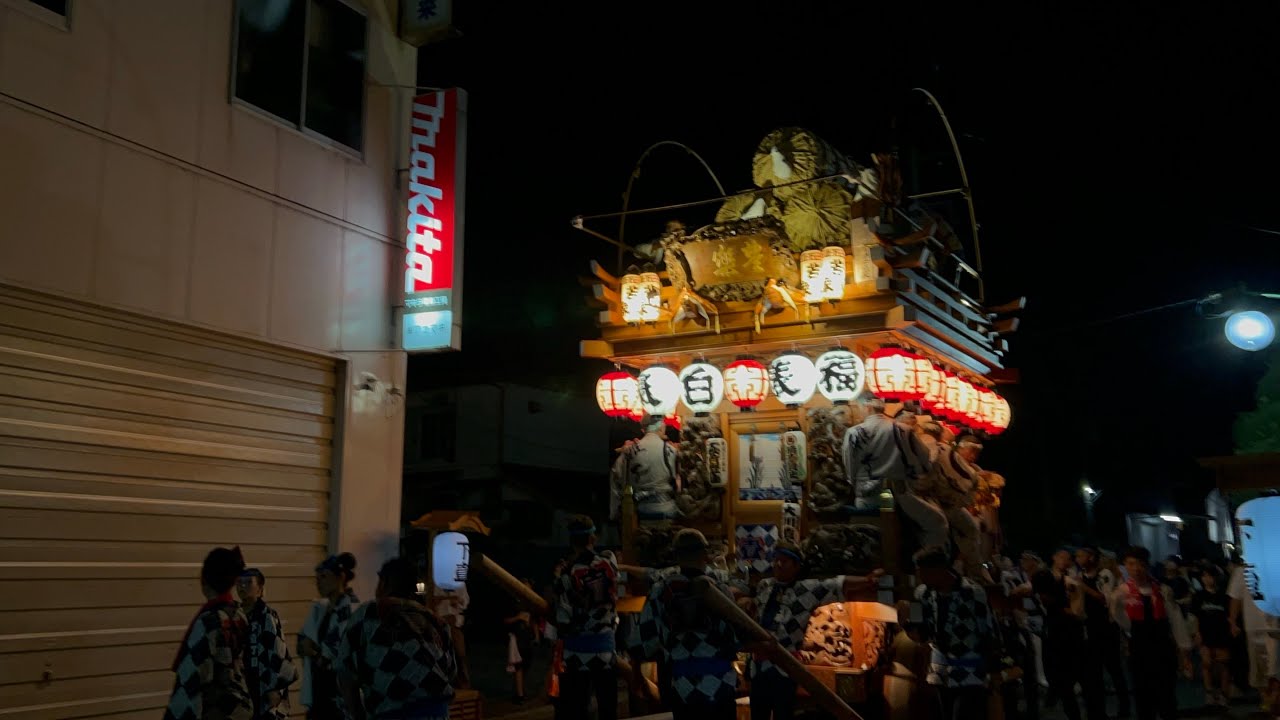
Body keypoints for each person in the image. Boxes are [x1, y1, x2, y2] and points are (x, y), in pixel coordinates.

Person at [744, 540, 881, 720]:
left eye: (784, 561)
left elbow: (837, 584)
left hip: (786, 663)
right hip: (759, 664)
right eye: (776, 560)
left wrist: (868, 580)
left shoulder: (806, 588)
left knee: (782, 712)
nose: (778, 564)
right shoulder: (764, 585)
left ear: (796, 566)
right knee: (758, 712)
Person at [637, 529, 741, 720]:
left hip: (682, 683)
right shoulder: (720, 589)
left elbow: (647, 641)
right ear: (705, 555)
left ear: (676, 555)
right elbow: (734, 636)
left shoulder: (660, 591)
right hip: (720, 682)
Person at [337, 557, 456, 720]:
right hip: (437, 711)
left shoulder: (369, 614)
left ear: (385, 583)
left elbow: (345, 673)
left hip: (394, 712)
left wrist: (358, 715)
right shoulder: (436, 621)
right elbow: (451, 672)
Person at [844, 398, 949, 550]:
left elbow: (849, 465)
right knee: (937, 522)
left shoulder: (854, 432)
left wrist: (856, 483)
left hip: (866, 494)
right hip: (900, 492)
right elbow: (924, 459)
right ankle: (925, 560)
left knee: (869, 541)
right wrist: (915, 475)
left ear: (866, 408)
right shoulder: (903, 429)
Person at [165, 547, 254, 720]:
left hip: (216, 710)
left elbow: (194, 677)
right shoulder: (239, 614)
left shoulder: (209, 621)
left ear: (204, 579)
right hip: (240, 707)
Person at [913, 545, 998, 720]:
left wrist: (993, 669)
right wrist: (910, 621)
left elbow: (988, 631)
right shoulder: (922, 593)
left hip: (970, 669)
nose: (922, 578)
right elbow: (918, 628)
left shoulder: (972, 593)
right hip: (940, 670)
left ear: (940, 570)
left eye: (925, 573)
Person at [1110, 546, 1193, 720]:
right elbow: (1125, 625)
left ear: (1146, 566)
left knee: (1167, 698)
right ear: (1125, 565)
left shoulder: (1162, 590)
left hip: (1163, 650)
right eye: (1131, 564)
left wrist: (1184, 653)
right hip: (1139, 651)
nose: (1136, 569)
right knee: (1143, 700)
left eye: (1140, 564)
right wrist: (1116, 608)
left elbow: (1176, 621)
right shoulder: (1122, 593)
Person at [550, 515, 619, 720]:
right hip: (605, 649)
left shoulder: (567, 575)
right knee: (608, 708)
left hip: (576, 653)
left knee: (576, 710)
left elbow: (562, 620)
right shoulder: (609, 562)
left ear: (571, 541)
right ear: (593, 538)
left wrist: (556, 577)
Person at [1032, 569, 1106, 720]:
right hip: (1064, 647)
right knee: (1070, 691)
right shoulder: (1056, 600)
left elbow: (1077, 613)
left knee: (1083, 689)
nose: (1041, 597)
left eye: (1043, 593)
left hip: (1072, 647)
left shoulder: (1063, 597)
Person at [298, 552, 359, 720]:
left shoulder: (349, 609)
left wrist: (314, 652)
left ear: (341, 577)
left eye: (324, 576)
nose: (319, 582)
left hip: (339, 695)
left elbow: (334, 656)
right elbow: (302, 643)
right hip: (319, 692)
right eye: (317, 578)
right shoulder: (320, 609)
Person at [236, 568, 298, 719]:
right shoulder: (236, 613)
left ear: (260, 589)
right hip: (242, 682)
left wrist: (274, 686)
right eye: (239, 583)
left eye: (249, 582)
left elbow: (277, 651)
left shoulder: (267, 615)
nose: (242, 586)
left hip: (261, 680)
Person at [1076, 545, 1130, 718]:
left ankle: (1124, 707)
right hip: (1090, 627)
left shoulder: (1104, 575)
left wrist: (1082, 587)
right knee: (1094, 672)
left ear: (1091, 557)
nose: (1078, 559)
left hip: (1106, 627)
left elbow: (1104, 599)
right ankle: (1098, 710)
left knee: (1114, 668)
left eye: (1081, 556)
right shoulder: (1082, 576)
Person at [933, 434, 993, 583]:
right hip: (942, 504)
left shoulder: (974, 468)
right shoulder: (949, 457)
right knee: (971, 527)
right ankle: (965, 567)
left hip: (961, 506)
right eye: (970, 451)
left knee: (981, 526)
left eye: (976, 453)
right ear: (960, 447)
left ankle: (977, 568)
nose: (973, 456)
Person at [1228, 556, 1280, 709]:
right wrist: (1233, 621)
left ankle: (1273, 702)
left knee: (1273, 668)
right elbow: (1235, 598)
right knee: (1260, 670)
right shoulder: (1241, 571)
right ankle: (1267, 701)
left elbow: (1235, 598)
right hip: (1255, 626)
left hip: (1273, 627)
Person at [1193, 565, 1233, 709]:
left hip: (1222, 634)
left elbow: (1229, 616)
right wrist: (1197, 633)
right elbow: (1196, 616)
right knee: (1206, 663)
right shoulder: (1198, 596)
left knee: (1223, 664)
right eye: (1204, 576)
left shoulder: (1224, 596)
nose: (1207, 579)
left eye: (1209, 576)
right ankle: (1209, 692)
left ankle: (1223, 694)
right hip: (1206, 633)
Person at [504, 580, 538, 704]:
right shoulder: (514, 602)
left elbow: (534, 621)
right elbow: (506, 620)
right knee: (519, 666)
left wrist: (537, 636)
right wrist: (518, 617)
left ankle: (520, 691)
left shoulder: (530, 603)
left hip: (528, 638)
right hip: (517, 638)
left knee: (526, 666)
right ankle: (519, 696)